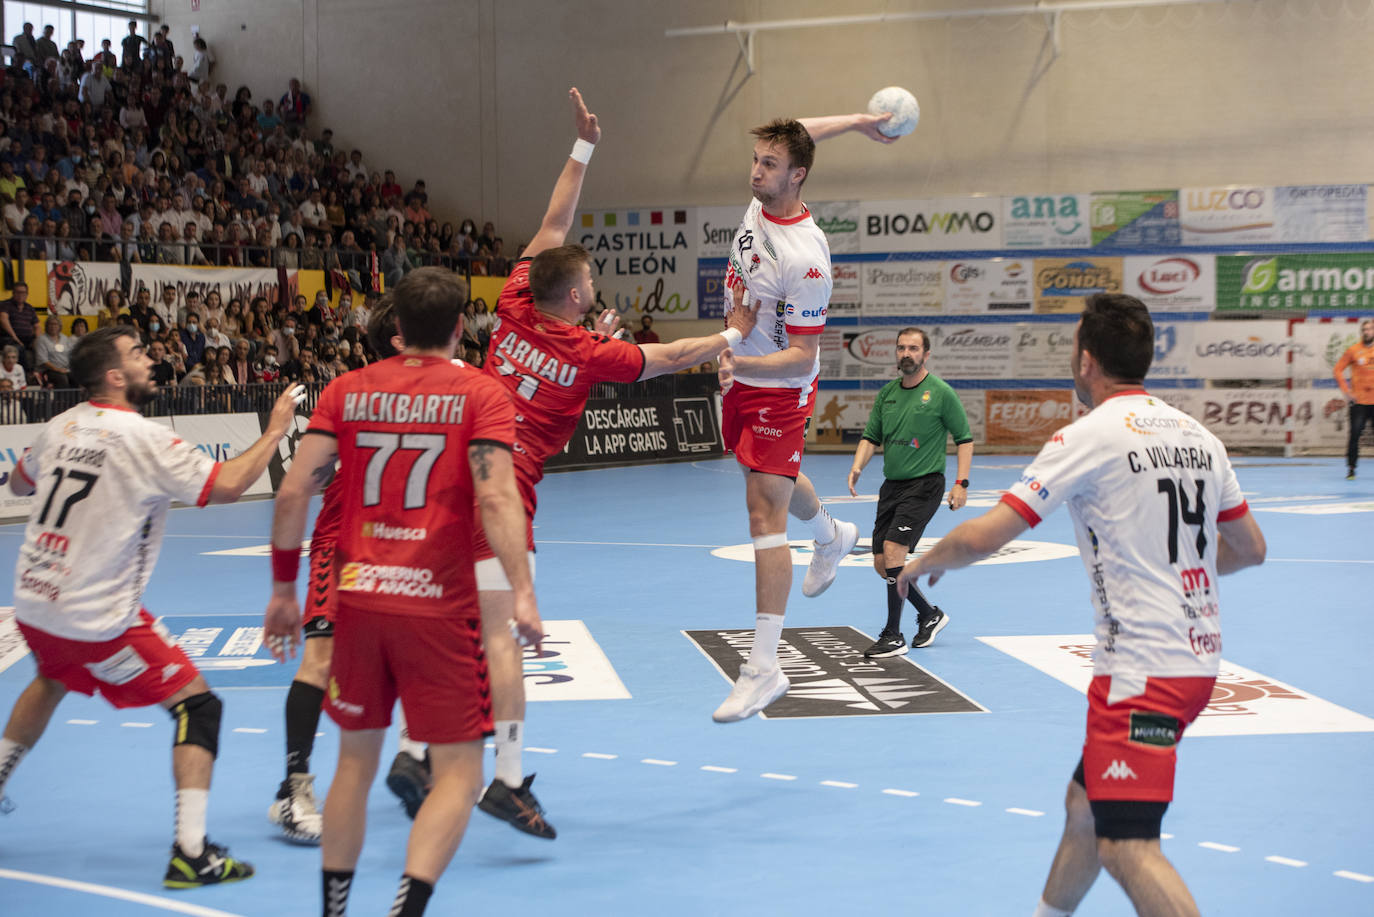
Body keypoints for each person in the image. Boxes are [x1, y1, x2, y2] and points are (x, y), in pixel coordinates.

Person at [382, 88, 758, 837]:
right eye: (589, 279)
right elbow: (673, 354)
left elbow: (554, 222)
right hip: (504, 488)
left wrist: (582, 146)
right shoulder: (590, 353)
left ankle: (415, 747)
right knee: (501, 630)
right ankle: (509, 780)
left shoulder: (516, 302)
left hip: (451, 470)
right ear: (580, 293)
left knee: (449, 615)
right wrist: (733, 332)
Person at [894, 293, 1267, 917]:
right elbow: (1250, 548)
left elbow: (986, 535)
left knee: (1126, 846)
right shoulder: (1200, 437)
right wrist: (1179, 575)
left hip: (1143, 676)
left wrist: (927, 559)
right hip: (1194, 662)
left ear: (1088, 361)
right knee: (1085, 807)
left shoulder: (1089, 436)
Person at [262, 267, 537, 917]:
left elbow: (294, 490)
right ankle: (405, 909)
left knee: (354, 764)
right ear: (460, 327)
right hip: (437, 607)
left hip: (357, 598)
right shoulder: (481, 394)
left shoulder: (346, 389)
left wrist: (281, 588)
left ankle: (334, 909)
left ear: (394, 328)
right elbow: (496, 495)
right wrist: (522, 588)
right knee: (461, 772)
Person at [0, 325, 304, 887]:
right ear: (114, 376)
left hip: (33, 603)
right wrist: (275, 430)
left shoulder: (56, 427)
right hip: (95, 619)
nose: (150, 361)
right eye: (138, 355)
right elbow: (230, 485)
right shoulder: (142, 438)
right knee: (199, 709)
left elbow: (19, 485)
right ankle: (192, 853)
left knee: (51, 675)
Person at [710, 110, 897, 723]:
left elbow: (803, 355)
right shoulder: (764, 200)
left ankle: (764, 668)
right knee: (771, 483)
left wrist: (738, 365)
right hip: (744, 364)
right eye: (756, 160)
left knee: (762, 510)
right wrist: (863, 120)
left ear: (798, 178)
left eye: (768, 165)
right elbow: (804, 128)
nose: (755, 172)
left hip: (778, 385)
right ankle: (832, 535)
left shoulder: (806, 258)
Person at [266, 304, 401, 844]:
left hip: (402, 548)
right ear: (397, 337)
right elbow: (301, 485)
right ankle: (294, 789)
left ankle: (426, 763)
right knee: (319, 662)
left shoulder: (447, 385)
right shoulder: (350, 393)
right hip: (342, 547)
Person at [847, 327, 972, 657]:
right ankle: (929, 614)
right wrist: (858, 466)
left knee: (892, 551)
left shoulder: (941, 393)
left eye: (913, 348)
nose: (906, 353)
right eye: (901, 348)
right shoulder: (887, 393)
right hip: (892, 486)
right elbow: (871, 437)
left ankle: (892, 634)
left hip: (925, 484)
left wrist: (961, 483)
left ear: (926, 354)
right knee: (881, 563)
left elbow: (964, 439)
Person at [1333, 317, 1374, 480]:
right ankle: (1351, 468)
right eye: (1365, 330)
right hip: (1359, 402)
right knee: (1355, 435)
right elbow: (1337, 370)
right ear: (1361, 332)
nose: (1367, 332)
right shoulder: (1353, 350)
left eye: (1370, 329)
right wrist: (1346, 391)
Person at [33, 315, 72, 388]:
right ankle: (61, 399)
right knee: (62, 379)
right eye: (50, 324)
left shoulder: (65, 338)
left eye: (55, 324)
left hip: (65, 369)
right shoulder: (41, 340)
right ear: (46, 326)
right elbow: (43, 361)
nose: (53, 326)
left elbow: (70, 355)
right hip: (48, 370)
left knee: (76, 377)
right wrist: (58, 369)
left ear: (59, 326)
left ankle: (75, 399)